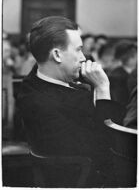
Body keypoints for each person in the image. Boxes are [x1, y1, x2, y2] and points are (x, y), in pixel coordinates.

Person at [17, 16, 127, 187]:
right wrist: (103, 88)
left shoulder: (31, 84)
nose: (83, 57)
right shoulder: (44, 103)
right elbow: (111, 148)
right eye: (78, 50)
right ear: (57, 55)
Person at [109, 40, 137, 106]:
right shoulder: (116, 76)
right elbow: (119, 100)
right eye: (135, 56)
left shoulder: (133, 72)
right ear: (130, 57)